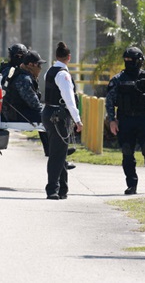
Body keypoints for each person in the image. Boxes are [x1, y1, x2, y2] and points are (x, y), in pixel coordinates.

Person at [105, 47, 145, 195]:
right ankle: (131, 184)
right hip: (125, 120)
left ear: (139, 61)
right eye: (126, 60)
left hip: (143, 119)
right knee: (127, 151)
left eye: (131, 60)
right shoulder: (118, 79)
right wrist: (112, 120)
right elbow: (109, 101)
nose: (128, 63)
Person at [2, 50, 77, 170]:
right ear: (30, 65)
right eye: (39, 65)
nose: (41, 68)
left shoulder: (23, 75)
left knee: (46, 116)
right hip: (18, 114)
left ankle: (56, 153)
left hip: (19, 111)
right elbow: (33, 103)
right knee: (50, 118)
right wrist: (46, 111)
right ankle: (59, 152)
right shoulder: (23, 79)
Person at [41, 41, 83, 200]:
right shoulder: (63, 74)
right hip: (58, 116)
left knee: (60, 152)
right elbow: (69, 99)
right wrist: (78, 120)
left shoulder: (49, 71)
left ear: (56, 56)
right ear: (69, 57)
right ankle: (52, 189)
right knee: (57, 154)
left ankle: (63, 189)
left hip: (49, 113)